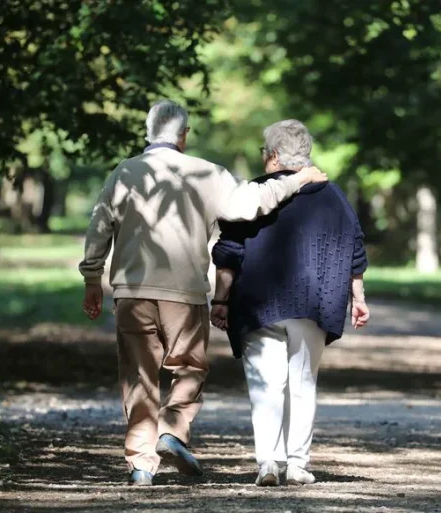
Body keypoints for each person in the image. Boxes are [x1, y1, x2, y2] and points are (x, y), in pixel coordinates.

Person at [78, 101, 328, 486]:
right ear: (184, 135)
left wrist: (92, 278)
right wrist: (297, 180)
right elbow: (249, 205)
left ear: (148, 131)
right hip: (185, 293)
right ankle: (172, 431)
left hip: (132, 292)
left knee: (138, 375)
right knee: (190, 368)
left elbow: (100, 226)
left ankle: (141, 464)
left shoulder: (124, 172)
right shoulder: (206, 173)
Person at [210, 119, 370, 487]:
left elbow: (229, 251)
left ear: (275, 156)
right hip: (313, 304)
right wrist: (358, 297)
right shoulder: (333, 195)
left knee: (266, 382)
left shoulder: (253, 194)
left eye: (264, 153)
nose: (263, 158)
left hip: (257, 302)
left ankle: (268, 461)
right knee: (302, 382)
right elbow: (355, 247)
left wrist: (221, 300)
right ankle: (297, 464)